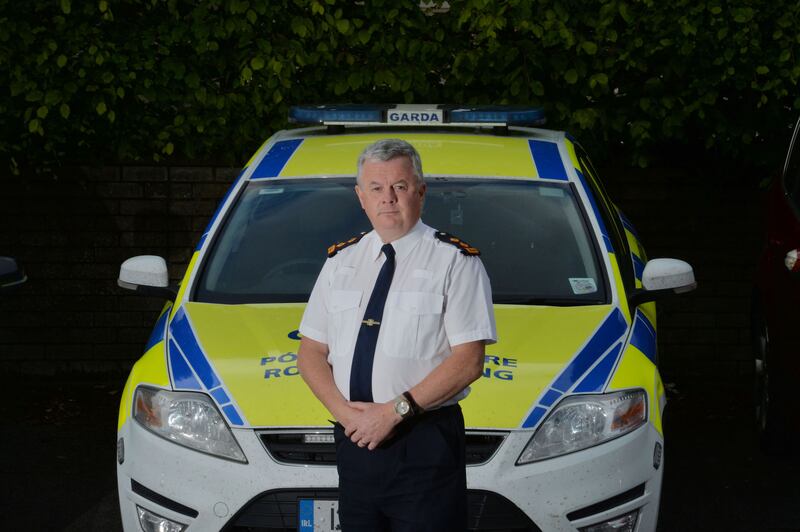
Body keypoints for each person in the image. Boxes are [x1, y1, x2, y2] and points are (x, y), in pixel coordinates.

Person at [297, 138, 496, 531]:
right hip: (355, 441)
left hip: (423, 442)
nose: (387, 198)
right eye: (376, 188)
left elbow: (468, 361)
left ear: (420, 192)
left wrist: (392, 413)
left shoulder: (455, 262)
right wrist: (345, 415)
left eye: (399, 187)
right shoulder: (341, 262)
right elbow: (311, 351)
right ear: (361, 197)